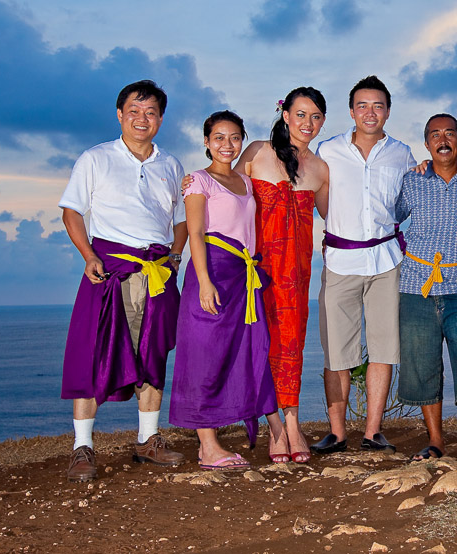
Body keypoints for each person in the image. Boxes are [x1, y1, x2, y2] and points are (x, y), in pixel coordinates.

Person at [59, 79, 188, 482]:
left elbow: (181, 220)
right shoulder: (95, 158)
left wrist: (175, 257)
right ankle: (83, 448)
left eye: (150, 112)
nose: (141, 119)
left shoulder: (170, 164)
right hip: (109, 271)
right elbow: (72, 212)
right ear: (120, 114)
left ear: (161, 119)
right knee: (93, 353)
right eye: (134, 110)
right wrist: (89, 255)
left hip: (156, 273)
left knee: (153, 354)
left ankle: (148, 441)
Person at [168, 111, 283, 469]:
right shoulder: (197, 182)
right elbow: (197, 234)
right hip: (213, 271)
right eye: (218, 137)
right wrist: (203, 280)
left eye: (234, 137)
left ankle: (273, 429)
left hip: (242, 274)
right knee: (205, 355)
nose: (227, 144)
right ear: (206, 142)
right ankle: (208, 445)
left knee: (247, 350)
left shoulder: (244, 182)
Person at [310, 76, 416, 454]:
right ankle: (337, 433)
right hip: (340, 260)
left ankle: (373, 431)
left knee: (385, 347)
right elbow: (315, 195)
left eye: (378, 106)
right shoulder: (328, 150)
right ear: (351, 110)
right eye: (362, 105)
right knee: (337, 351)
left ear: (388, 110)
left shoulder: (402, 154)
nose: (370, 113)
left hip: (387, 260)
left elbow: (412, 200)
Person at [234, 88, 330, 463]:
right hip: (255, 268)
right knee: (258, 344)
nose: (308, 123)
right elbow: (228, 193)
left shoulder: (320, 169)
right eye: (301, 114)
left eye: (317, 117)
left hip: (296, 271)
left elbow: (338, 219)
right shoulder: (258, 151)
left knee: (291, 346)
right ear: (285, 114)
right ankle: (274, 423)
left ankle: (292, 421)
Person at [395, 114, 457, 461]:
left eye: (449, 133)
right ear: (426, 144)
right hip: (415, 285)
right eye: (435, 134)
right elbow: (386, 216)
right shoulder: (412, 180)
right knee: (423, 366)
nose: (443, 139)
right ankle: (435, 441)